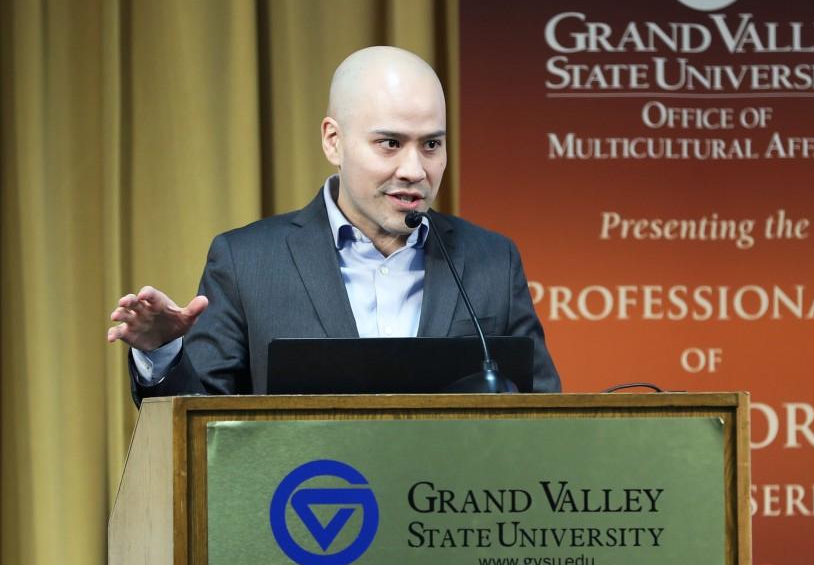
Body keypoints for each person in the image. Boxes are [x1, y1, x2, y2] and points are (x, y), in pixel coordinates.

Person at [107, 46, 560, 398]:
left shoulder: (492, 261)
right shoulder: (247, 263)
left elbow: (546, 421)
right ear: (333, 141)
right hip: (308, 513)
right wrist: (162, 352)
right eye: (389, 143)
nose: (414, 170)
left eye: (431, 145)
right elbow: (202, 435)